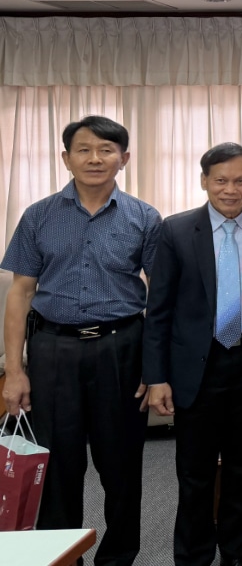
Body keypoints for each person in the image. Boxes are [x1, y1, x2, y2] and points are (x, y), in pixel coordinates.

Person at [1, 116, 161, 566]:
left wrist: (156, 369)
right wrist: (15, 371)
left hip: (122, 347)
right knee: (57, 466)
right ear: (66, 157)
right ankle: (62, 557)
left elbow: (160, 297)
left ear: (123, 158)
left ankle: (118, 558)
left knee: (122, 464)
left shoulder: (144, 217)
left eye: (106, 150)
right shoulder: (39, 215)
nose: (95, 158)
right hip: (54, 349)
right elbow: (20, 293)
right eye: (84, 149)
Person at [144, 143, 242, 566]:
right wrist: (157, 377)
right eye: (220, 180)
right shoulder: (176, 229)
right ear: (204, 181)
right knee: (195, 472)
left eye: (240, 180)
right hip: (197, 366)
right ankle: (193, 557)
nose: (230, 189)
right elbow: (158, 309)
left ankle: (236, 554)